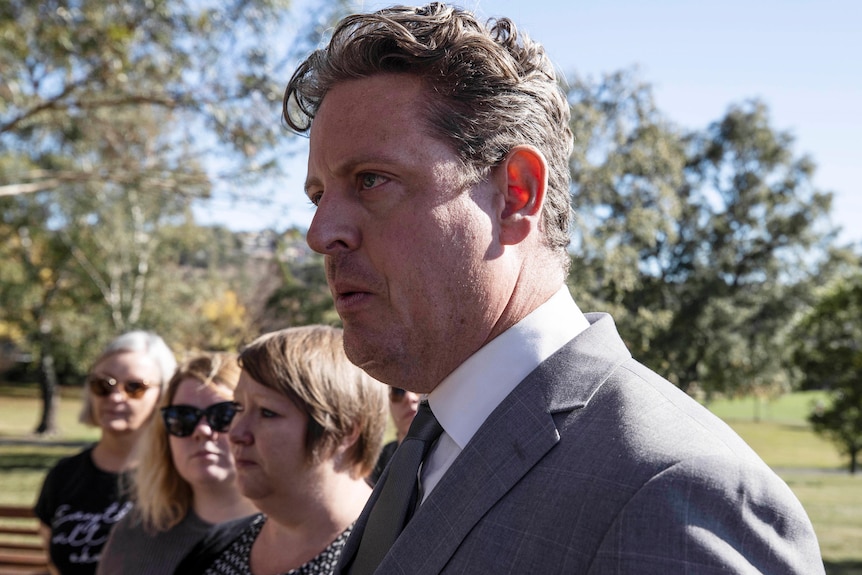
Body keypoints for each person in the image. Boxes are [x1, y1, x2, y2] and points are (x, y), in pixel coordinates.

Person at [282, 3, 826, 573]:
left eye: (371, 180)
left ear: (517, 193)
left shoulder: (676, 493)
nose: (321, 234)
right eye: (319, 195)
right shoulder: (429, 441)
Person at [174, 325, 388, 575]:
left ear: (345, 429)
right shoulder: (217, 548)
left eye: (267, 412)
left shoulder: (397, 556)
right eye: (238, 408)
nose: (236, 433)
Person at [97, 353, 256, 574]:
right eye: (183, 417)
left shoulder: (290, 536)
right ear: (165, 437)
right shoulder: (136, 531)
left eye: (223, 415)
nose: (202, 431)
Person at [34, 331, 176, 575]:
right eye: (103, 385)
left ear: (162, 396)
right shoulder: (64, 475)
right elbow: (55, 563)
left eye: (134, 387)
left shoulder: (176, 476)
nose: (115, 397)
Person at [368, 387, 419, 485]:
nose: (409, 398)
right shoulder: (378, 463)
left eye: (418, 387)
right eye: (397, 392)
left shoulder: (448, 448)